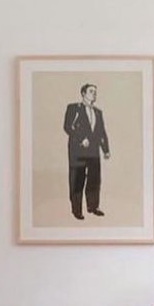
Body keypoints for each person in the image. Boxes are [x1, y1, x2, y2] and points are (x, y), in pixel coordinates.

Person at [63, 83, 110, 220]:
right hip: (78, 151)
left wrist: (106, 149)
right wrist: (81, 139)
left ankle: (93, 207)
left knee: (94, 180)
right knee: (77, 180)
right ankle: (76, 210)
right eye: (91, 91)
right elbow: (67, 127)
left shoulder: (98, 112)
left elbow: (101, 132)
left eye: (95, 91)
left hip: (94, 151)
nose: (94, 94)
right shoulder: (73, 108)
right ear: (83, 93)